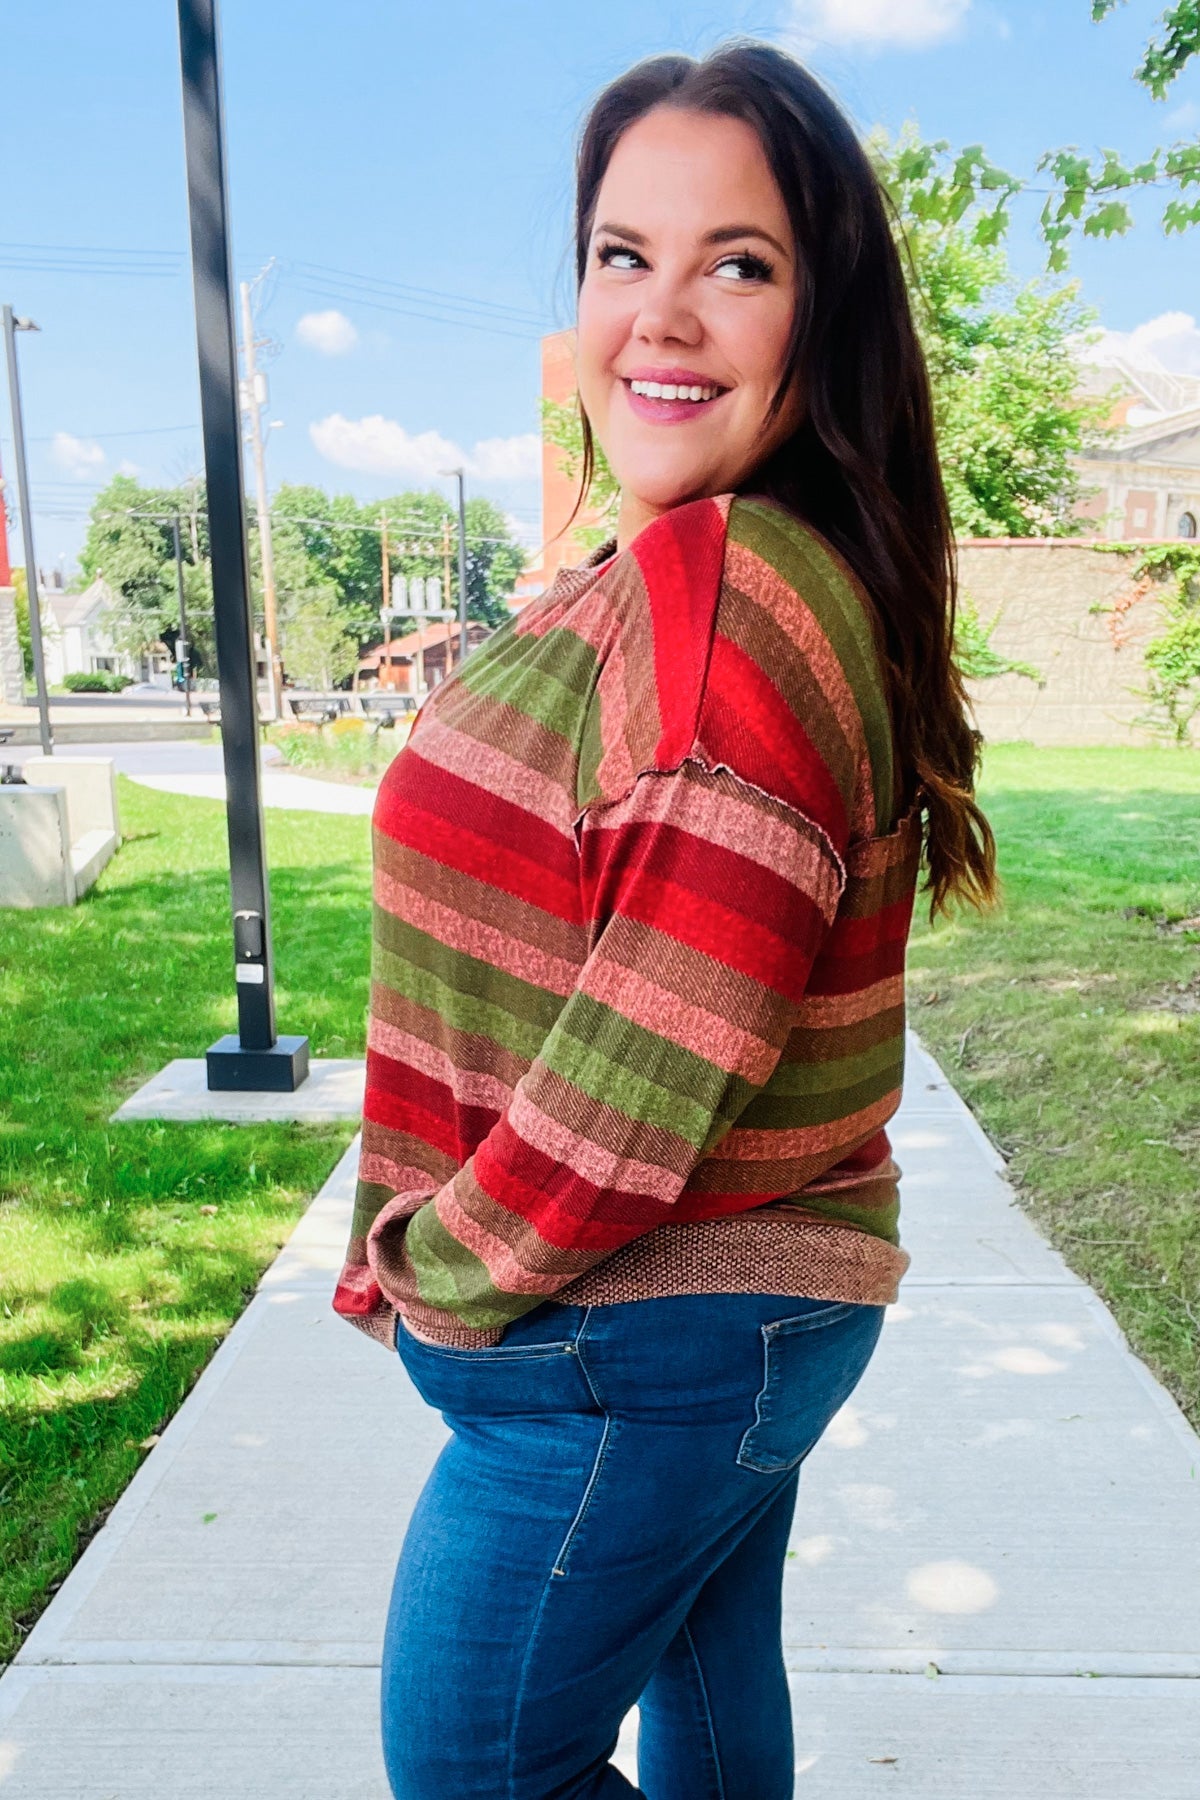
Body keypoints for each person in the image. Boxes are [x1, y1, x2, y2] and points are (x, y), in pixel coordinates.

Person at [332, 38, 998, 1800]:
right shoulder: (685, 568)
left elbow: (657, 1048)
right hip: (736, 1305)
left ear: (821, 317)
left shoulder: (732, 588)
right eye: (624, 255)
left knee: (477, 1764)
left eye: (740, 264)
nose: (665, 314)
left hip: (640, 1324)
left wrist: (441, 1265)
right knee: (706, 1705)